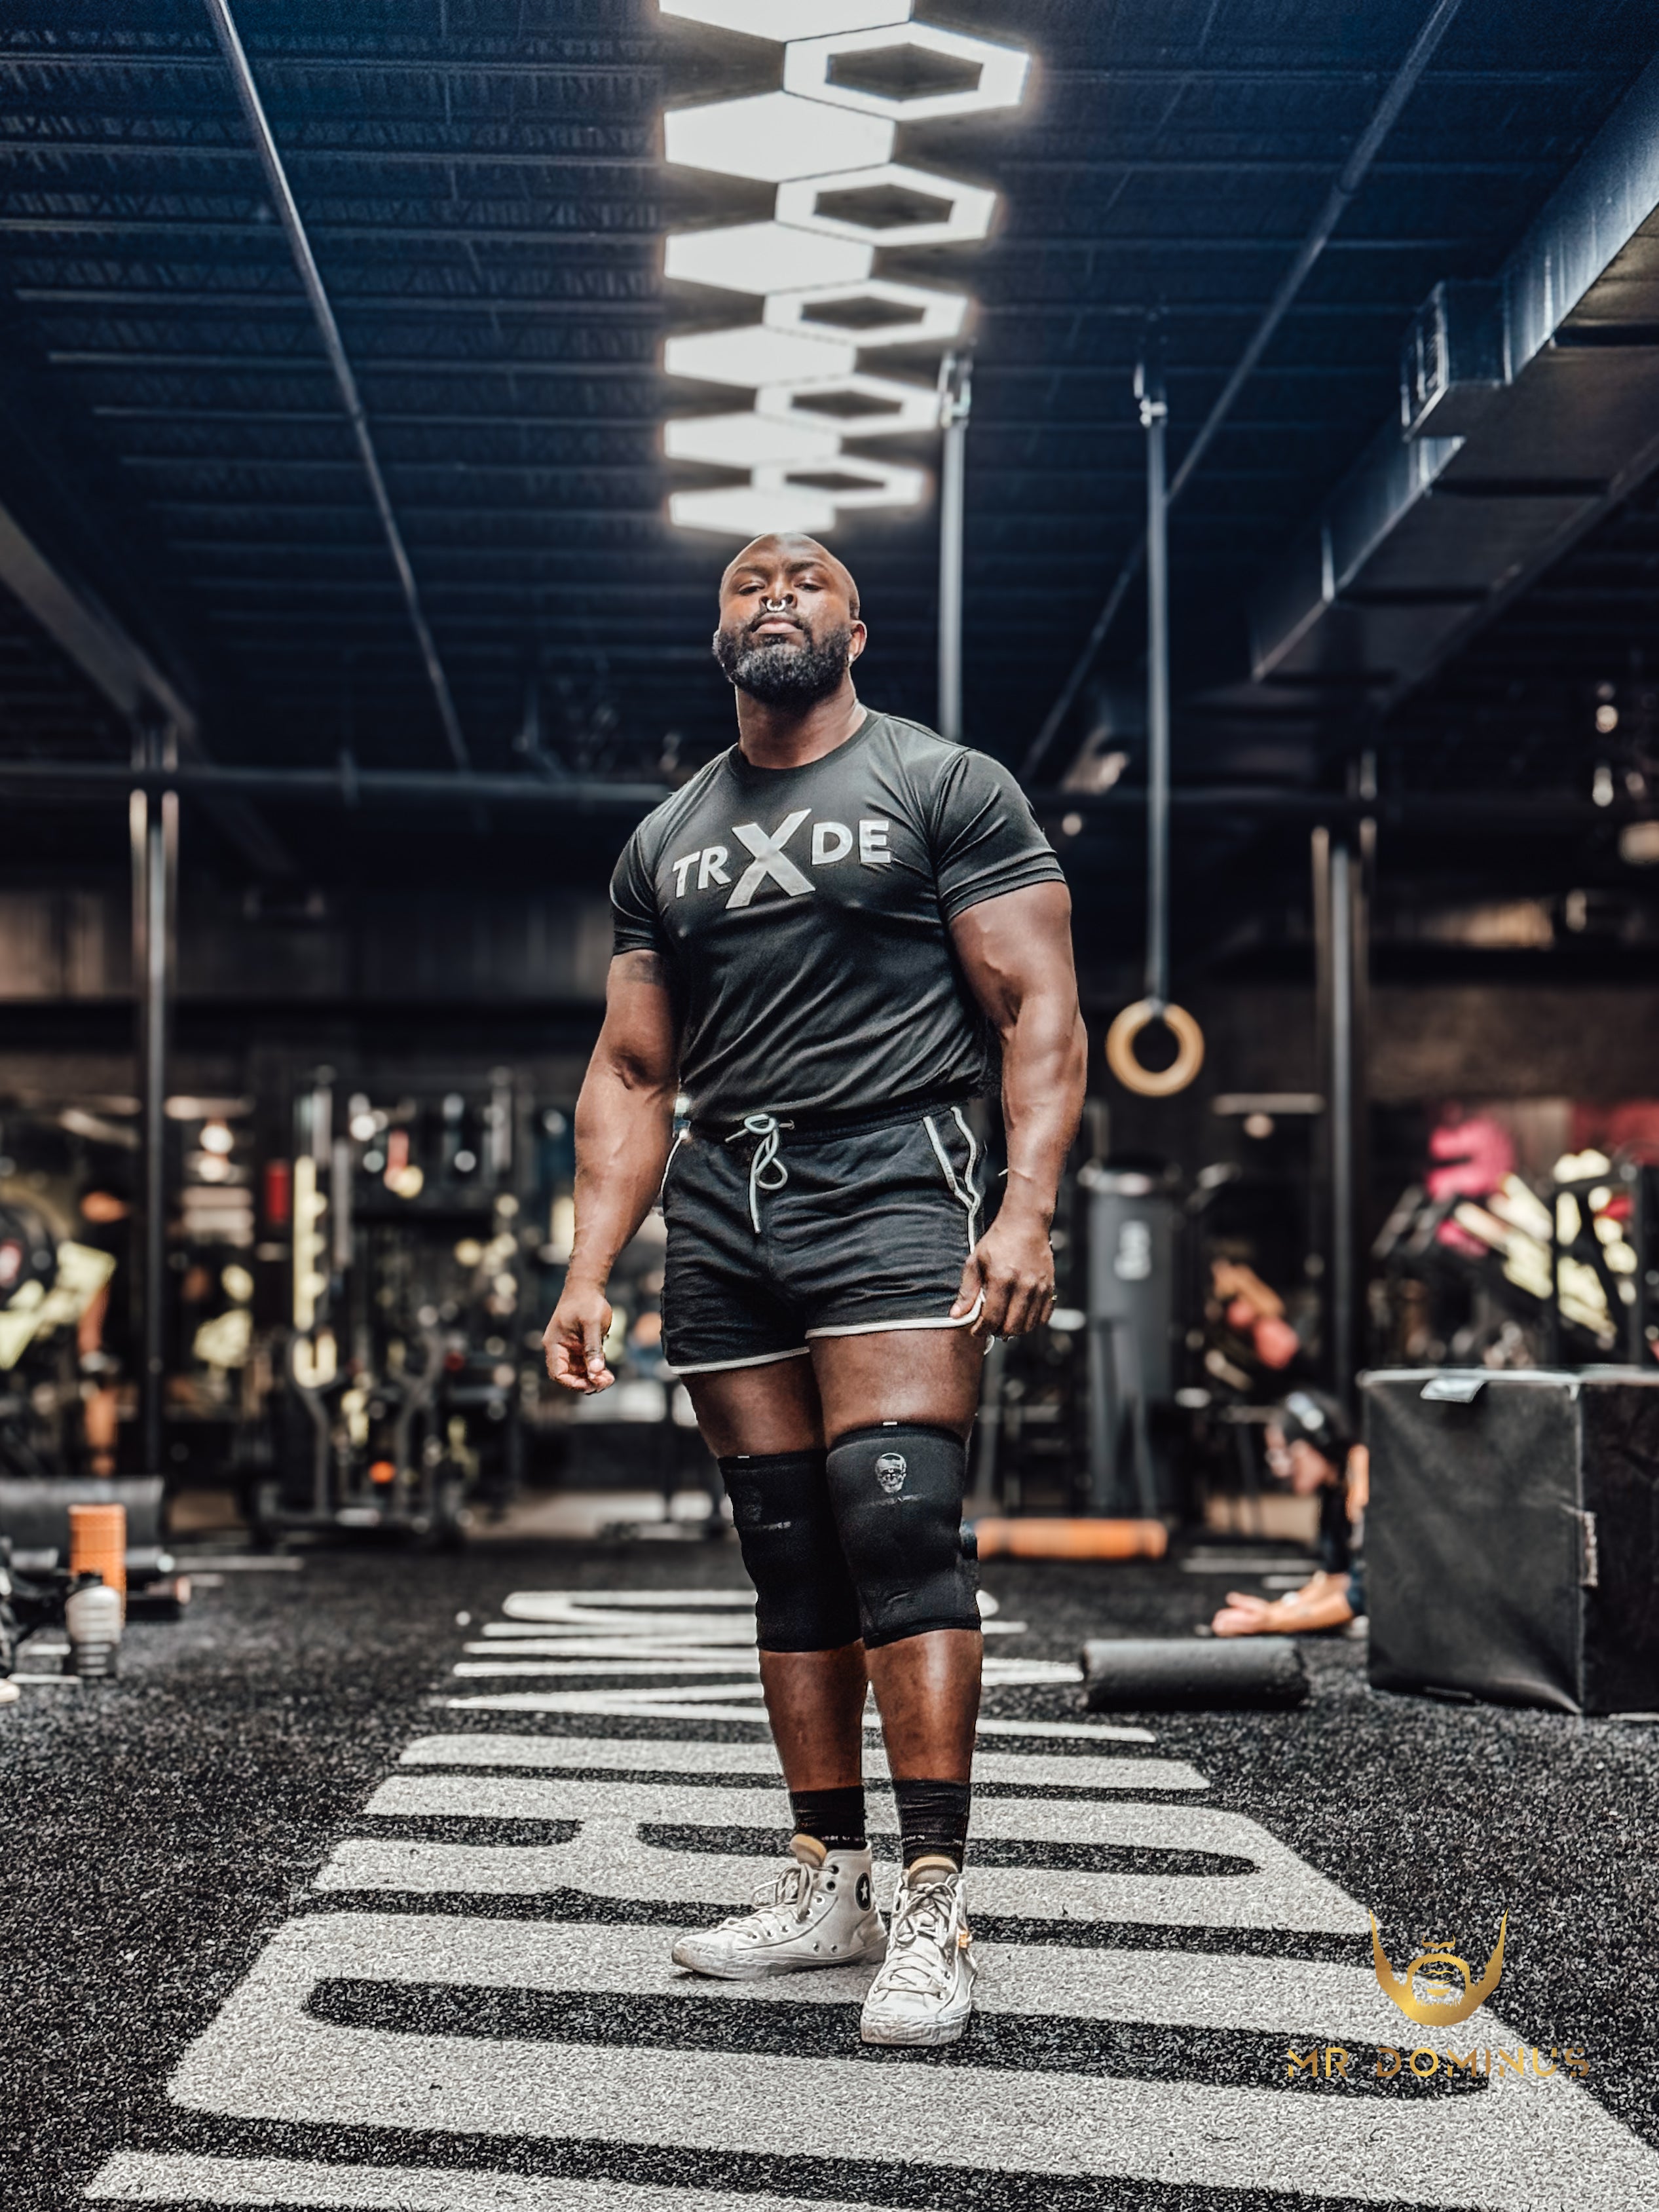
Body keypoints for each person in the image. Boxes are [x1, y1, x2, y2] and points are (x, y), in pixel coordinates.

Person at [543, 533, 1086, 2046]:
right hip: (725, 1203)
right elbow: (637, 1066)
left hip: (893, 1183)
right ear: (717, 631)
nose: (770, 593)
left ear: (856, 624)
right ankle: (825, 1879)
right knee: (786, 1554)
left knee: (896, 1522)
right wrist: (588, 1266)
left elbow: (1037, 1005)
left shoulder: (941, 784)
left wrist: (1024, 1208)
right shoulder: (664, 837)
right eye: (740, 582)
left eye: (804, 579)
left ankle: (931, 1899)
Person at [1212, 1388, 1368, 1635]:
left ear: (1317, 1441)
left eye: (1287, 1452)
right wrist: (1272, 1612)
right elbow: (1336, 1579)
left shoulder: (1362, 1484)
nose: (1280, 1468)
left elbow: (1362, 1596)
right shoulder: (1336, 1487)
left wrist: (1273, 1622)